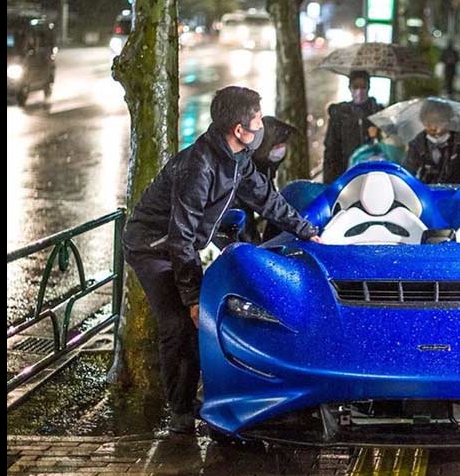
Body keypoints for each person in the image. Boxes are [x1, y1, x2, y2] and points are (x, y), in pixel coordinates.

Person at [122, 86, 323, 434]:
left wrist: (307, 231)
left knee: (202, 317)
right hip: (152, 248)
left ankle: (199, 397)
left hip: (179, 245)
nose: (261, 125)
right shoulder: (198, 166)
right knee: (178, 325)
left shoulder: (238, 159)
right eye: (256, 119)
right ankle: (181, 414)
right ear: (238, 129)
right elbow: (181, 235)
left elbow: (266, 198)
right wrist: (190, 299)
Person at [404, 98, 460, 185]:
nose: (433, 128)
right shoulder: (419, 142)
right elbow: (408, 170)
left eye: (438, 122)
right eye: (428, 123)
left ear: (449, 120)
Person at [323, 69, 383, 184]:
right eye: (355, 87)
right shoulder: (340, 114)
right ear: (350, 88)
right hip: (345, 175)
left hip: (372, 174)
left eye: (363, 87)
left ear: (368, 88)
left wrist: (378, 135)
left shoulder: (378, 112)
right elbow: (331, 150)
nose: (359, 91)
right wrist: (329, 183)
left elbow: (388, 146)